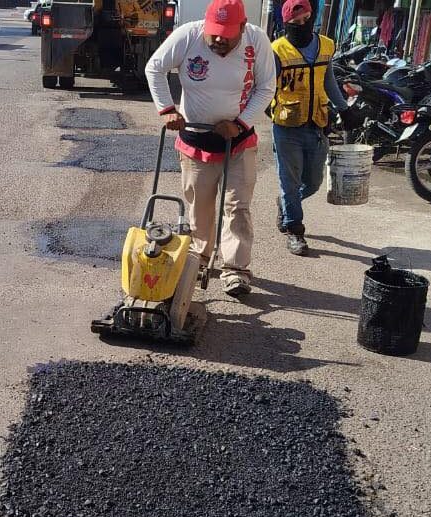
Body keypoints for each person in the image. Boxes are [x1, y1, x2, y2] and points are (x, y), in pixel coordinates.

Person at [145, 0, 276, 297]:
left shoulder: (256, 40)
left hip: (238, 142)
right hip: (196, 139)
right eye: (214, 32)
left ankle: (235, 269)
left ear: (242, 28)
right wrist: (167, 109)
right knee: (199, 207)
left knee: (237, 207)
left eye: (226, 34)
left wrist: (241, 123)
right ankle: (201, 258)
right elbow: (155, 68)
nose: (218, 39)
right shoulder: (189, 36)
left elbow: (266, 86)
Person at [271, 0, 357, 256]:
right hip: (286, 127)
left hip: (317, 124)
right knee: (290, 181)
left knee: (314, 182)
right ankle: (295, 230)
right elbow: (265, 85)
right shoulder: (278, 50)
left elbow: (328, 80)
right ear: (286, 23)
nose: (302, 25)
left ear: (312, 16)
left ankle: (286, 205)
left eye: (306, 19)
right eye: (295, 22)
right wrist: (263, 109)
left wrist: (343, 108)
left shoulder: (326, 45)